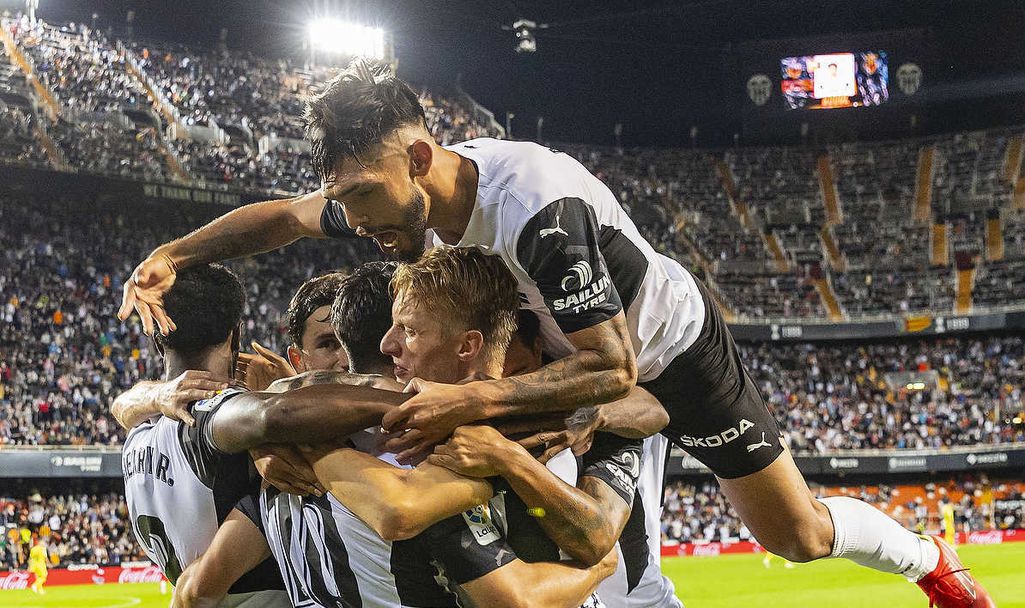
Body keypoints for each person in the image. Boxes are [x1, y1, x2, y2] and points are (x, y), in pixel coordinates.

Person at [119, 59, 994, 608]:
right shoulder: (389, 196)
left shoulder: (533, 205)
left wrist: (469, 402)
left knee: (794, 535)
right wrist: (174, 253)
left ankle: (928, 562)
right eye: (344, 199)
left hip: (665, 356)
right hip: (552, 361)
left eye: (365, 198)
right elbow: (283, 218)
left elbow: (614, 368)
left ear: (418, 159)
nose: (357, 220)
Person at [173, 251, 616, 608]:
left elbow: (401, 512)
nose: (391, 343)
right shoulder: (418, 441)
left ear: (467, 345)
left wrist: (291, 439)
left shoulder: (480, 439)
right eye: (392, 328)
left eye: (409, 330)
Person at [120, 263, 412, 606]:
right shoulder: (220, 419)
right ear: (235, 336)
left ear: (158, 339)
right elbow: (275, 415)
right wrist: (416, 402)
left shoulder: (138, 433)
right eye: (328, 344)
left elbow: (123, 406)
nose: (343, 360)